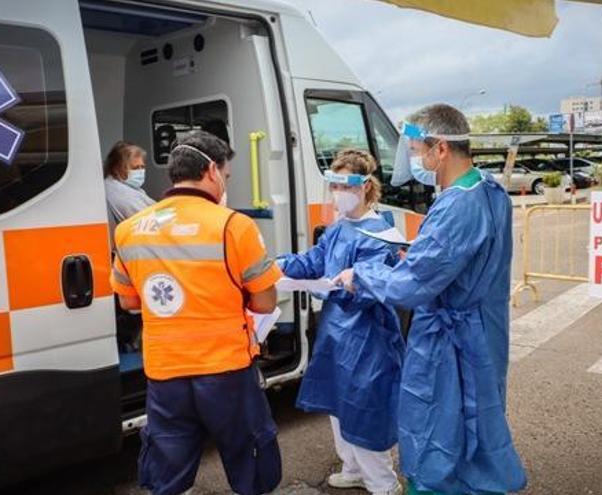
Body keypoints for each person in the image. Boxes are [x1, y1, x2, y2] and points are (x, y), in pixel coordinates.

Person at [335, 104, 527, 495]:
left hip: (450, 338)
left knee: (440, 427)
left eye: (418, 150)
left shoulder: (456, 204)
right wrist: (423, 256)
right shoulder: (490, 189)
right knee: (480, 420)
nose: (415, 160)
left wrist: (361, 276)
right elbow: (461, 258)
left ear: (440, 148)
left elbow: (410, 287)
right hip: (484, 328)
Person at [110, 131, 283, 495]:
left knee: (168, 470)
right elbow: (266, 303)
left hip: (165, 372)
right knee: (249, 459)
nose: (226, 182)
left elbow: (128, 302)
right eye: (227, 174)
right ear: (211, 171)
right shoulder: (233, 225)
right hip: (226, 370)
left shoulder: (128, 231)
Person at [278, 150, 405, 495]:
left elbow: (373, 288)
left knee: (365, 409)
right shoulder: (338, 230)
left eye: (343, 185)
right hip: (336, 334)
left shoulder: (381, 235)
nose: (337, 193)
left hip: (368, 337)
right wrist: (277, 266)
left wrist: (338, 286)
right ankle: (352, 469)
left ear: (365, 186)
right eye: (332, 185)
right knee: (338, 404)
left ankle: (383, 483)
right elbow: (314, 261)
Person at [104, 140, 155, 244]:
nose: (141, 172)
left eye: (142, 167)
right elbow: (150, 220)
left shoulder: (130, 187)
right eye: (135, 168)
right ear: (116, 169)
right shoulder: (117, 191)